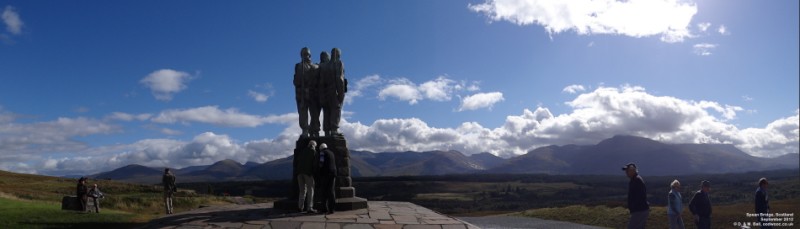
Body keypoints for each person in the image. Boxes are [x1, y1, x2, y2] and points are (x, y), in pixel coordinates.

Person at [320, 47, 346, 136]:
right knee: (336, 109)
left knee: (326, 111)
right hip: (335, 91)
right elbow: (340, 79)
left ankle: (327, 132)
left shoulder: (325, 66)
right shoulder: (338, 63)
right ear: (338, 55)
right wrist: (341, 93)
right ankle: (334, 130)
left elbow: (321, 81)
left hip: (325, 92)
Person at [294, 47, 319, 138]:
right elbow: (296, 81)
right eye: (303, 54)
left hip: (313, 93)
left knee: (314, 113)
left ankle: (315, 131)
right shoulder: (299, 66)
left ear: (310, 55)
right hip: (302, 94)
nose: (305, 56)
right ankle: (305, 130)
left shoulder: (316, 66)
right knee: (303, 113)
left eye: (306, 54)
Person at [622, 163, 649, 229]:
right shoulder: (635, 179)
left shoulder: (636, 180)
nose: (626, 173)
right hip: (641, 209)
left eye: (627, 170)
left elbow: (640, 196)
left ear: (633, 171)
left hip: (639, 210)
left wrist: (633, 207)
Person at [296, 140, 318, 213]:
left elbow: (297, 161)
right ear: (313, 145)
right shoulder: (313, 152)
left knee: (302, 191)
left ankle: (300, 207)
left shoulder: (302, 151)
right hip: (308, 173)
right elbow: (315, 164)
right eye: (315, 146)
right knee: (310, 190)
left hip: (299, 173)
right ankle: (309, 207)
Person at [317, 143, 337, 214]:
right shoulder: (331, 153)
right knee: (331, 191)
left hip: (325, 174)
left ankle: (324, 208)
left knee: (324, 191)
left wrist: (319, 169)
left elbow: (321, 163)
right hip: (333, 174)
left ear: (321, 148)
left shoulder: (322, 153)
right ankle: (332, 209)